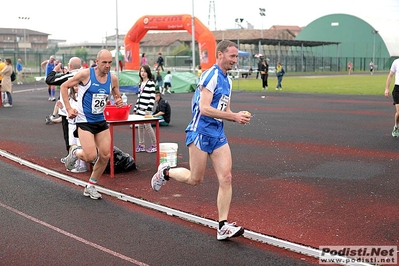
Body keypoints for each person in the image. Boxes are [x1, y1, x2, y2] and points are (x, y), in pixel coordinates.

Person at [151, 40, 251, 241]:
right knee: (195, 179)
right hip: (199, 132)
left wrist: (238, 115)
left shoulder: (228, 81)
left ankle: (222, 226)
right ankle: (166, 171)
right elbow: (204, 108)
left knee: (227, 177)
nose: (235, 60)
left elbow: (225, 110)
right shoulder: (210, 75)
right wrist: (233, 117)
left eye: (236, 57)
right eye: (232, 56)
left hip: (218, 134)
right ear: (220, 55)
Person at [61, 49, 123, 199]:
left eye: (110, 63)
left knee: (105, 155)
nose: (107, 66)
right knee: (90, 156)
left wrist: (119, 101)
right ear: (97, 62)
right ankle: (75, 152)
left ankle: (91, 186)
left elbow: (116, 95)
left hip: (100, 120)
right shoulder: (86, 74)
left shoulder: (113, 79)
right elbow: (64, 86)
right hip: (84, 120)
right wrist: (69, 108)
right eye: (104, 63)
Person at [45, 57, 83, 164]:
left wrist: (55, 70)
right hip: (82, 110)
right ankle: (80, 157)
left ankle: (72, 158)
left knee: (70, 136)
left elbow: (49, 80)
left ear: (70, 66)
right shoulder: (85, 74)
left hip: (69, 110)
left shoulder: (70, 76)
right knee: (82, 136)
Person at [133, 65, 157, 153]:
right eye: (141, 71)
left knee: (148, 126)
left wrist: (149, 109)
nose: (142, 73)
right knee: (140, 127)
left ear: (148, 73)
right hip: (140, 109)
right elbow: (139, 97)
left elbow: (152, 97)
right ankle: (141, 145)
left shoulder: (150, 83)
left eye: (144, 71)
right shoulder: (141, 83)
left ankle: (155, 145)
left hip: (146, 109)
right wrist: (135, 109)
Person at [384, 58, 399, 137]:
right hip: (397, 89)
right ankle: (396, 127)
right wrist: (387, 88)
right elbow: (390, 75)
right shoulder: (396, 62)